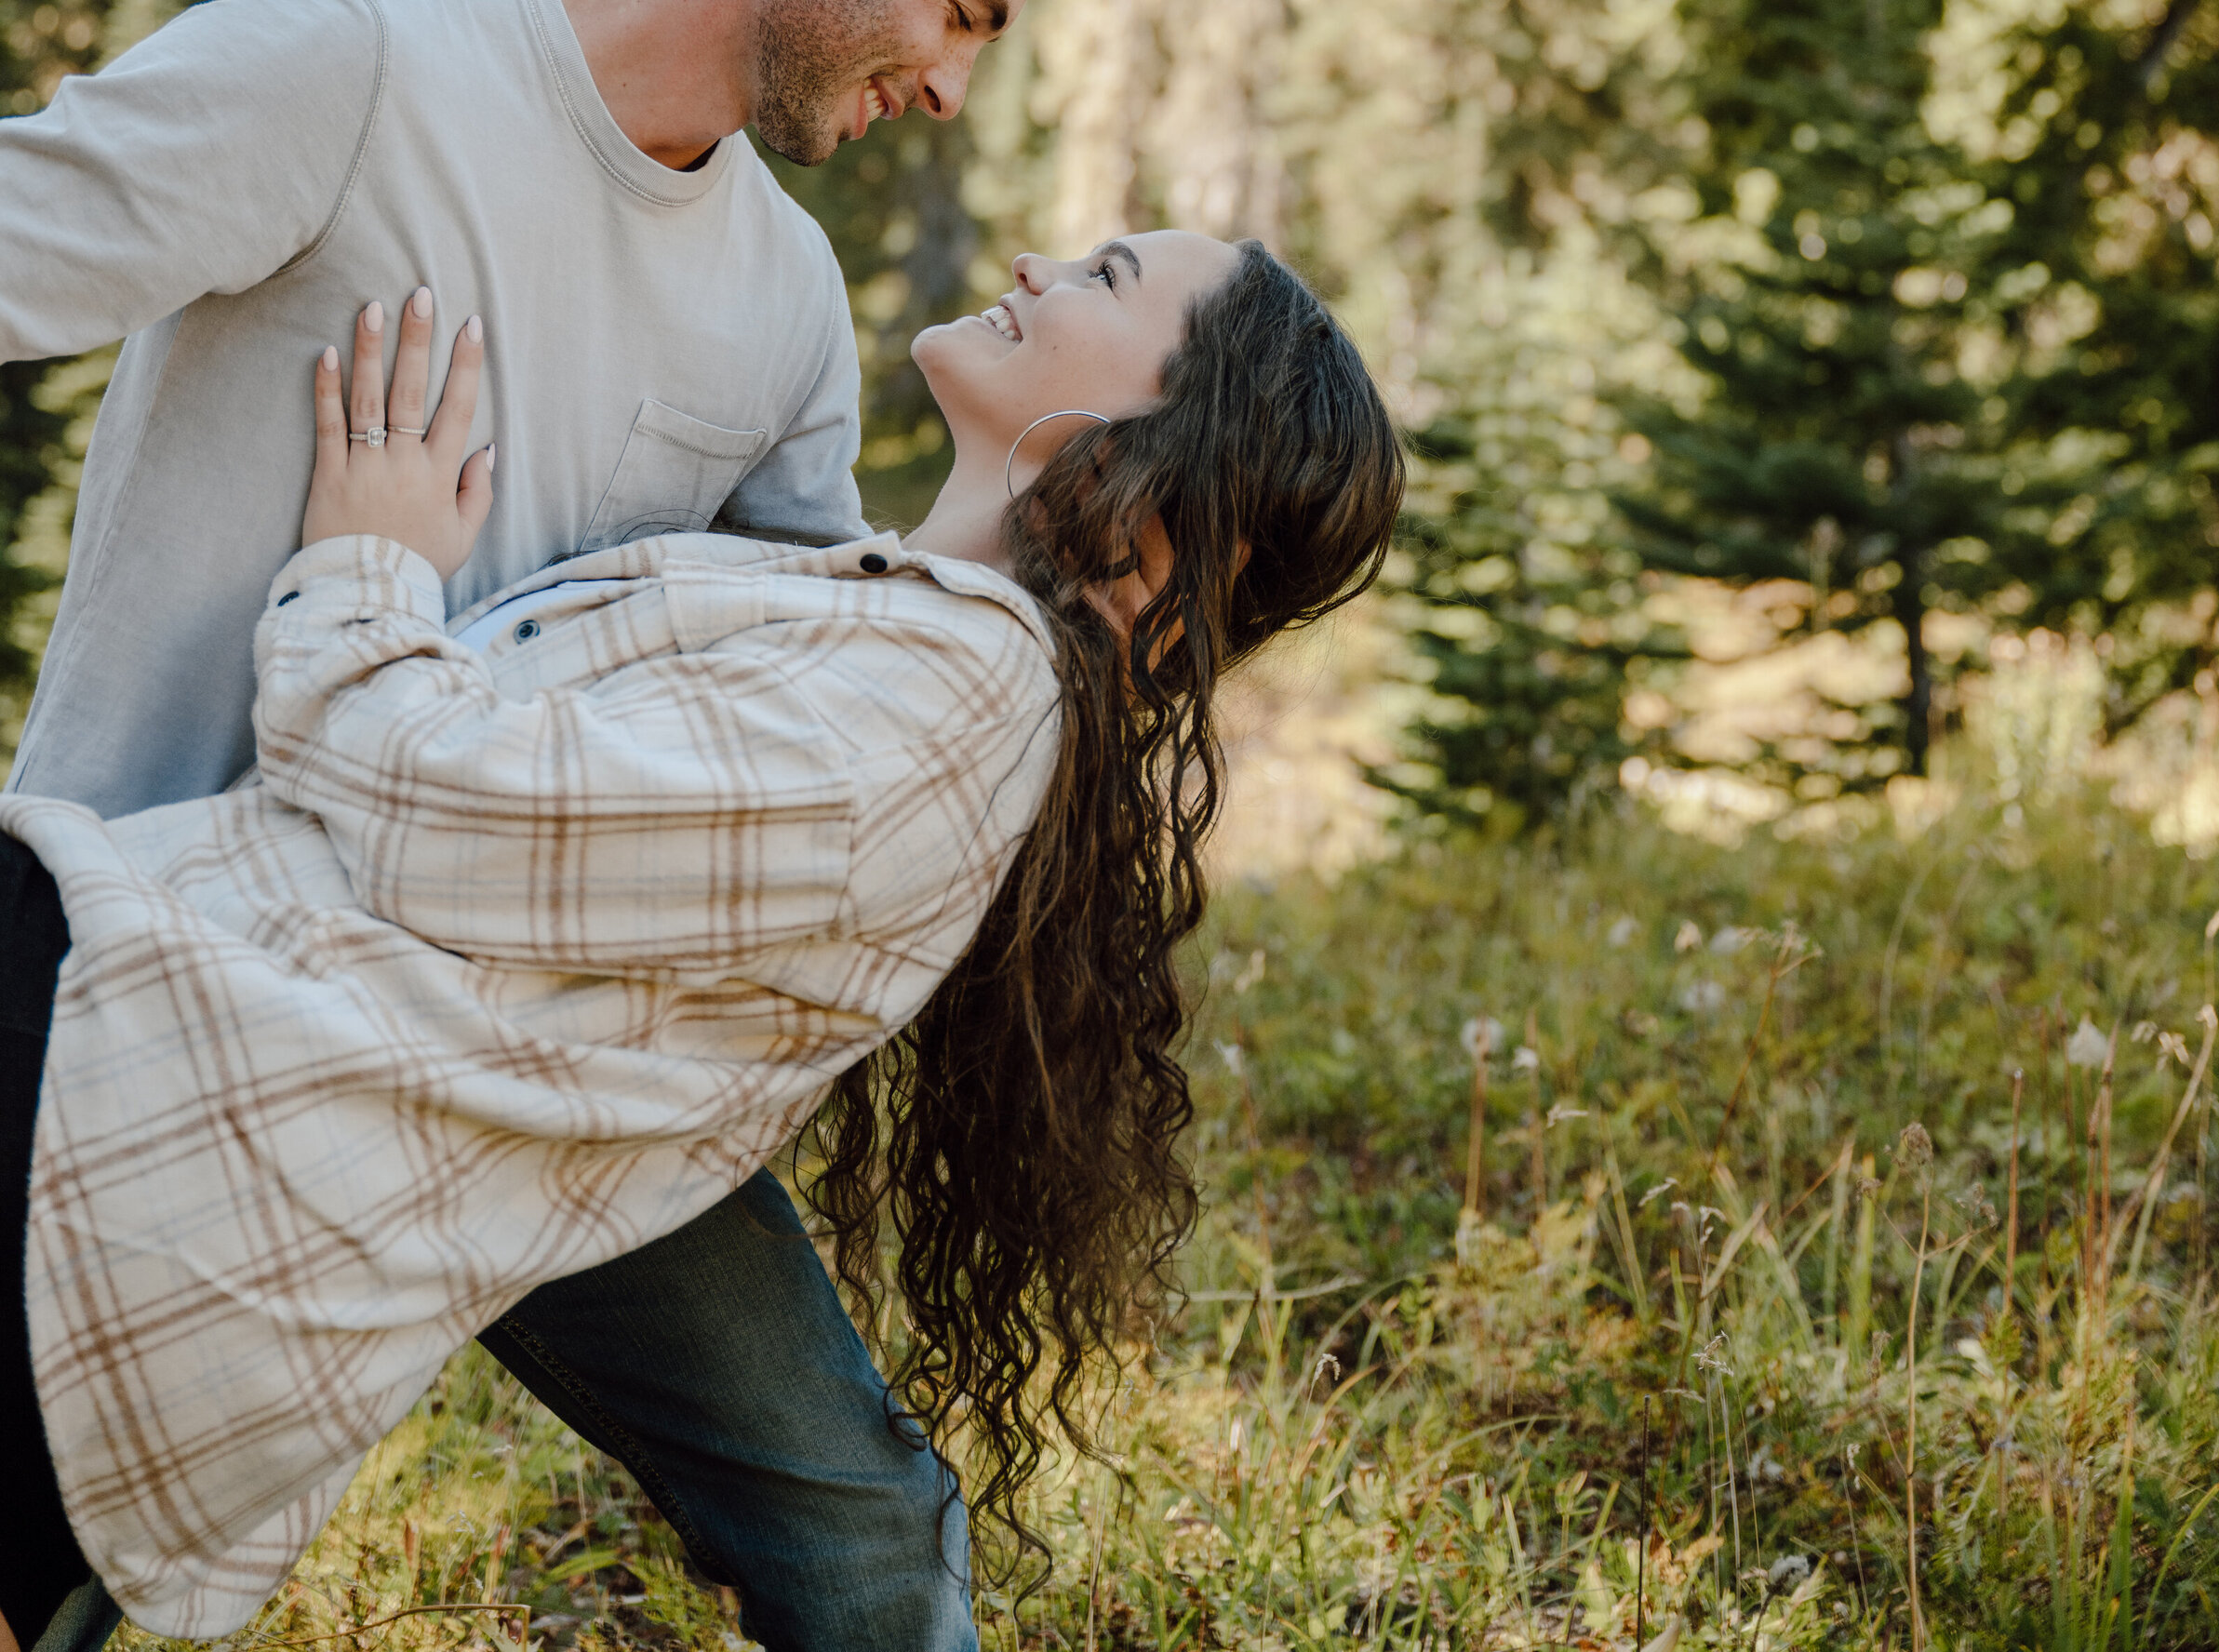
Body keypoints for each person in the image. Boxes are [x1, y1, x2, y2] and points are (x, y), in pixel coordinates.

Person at [0, 0, 1063, 1652]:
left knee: (866, 1531)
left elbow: (795, 707)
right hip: (154, 1029)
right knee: (50, 1575)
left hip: (531, 1064)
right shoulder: (357, 70)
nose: (954, 84)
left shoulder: (783, 306)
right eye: (968, 11)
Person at [0, 225, 1403, 1646]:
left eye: (1107, 279)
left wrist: (366, 565)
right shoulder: (898, 628)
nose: (1041, 264)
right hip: (118, 1062)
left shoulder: (955, 708)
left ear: (1165, 479)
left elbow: (449, 817)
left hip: (101, 1106)